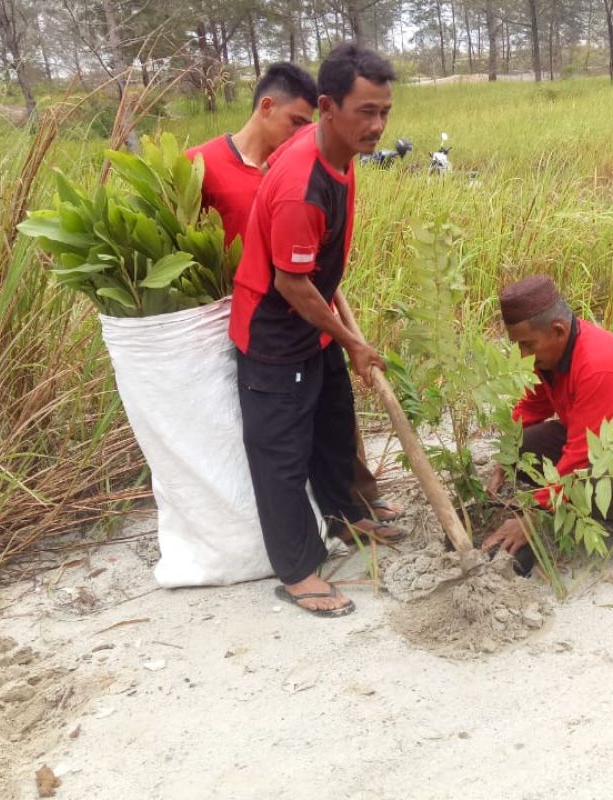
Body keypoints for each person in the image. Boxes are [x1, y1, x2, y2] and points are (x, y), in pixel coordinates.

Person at [188, 62, 402, 528]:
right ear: (267, 107)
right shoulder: (202, 166)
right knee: (283, 437)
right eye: (297, 122)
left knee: (335, 419)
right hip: (266, 318)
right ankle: (307, 537)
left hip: (311, 308)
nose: (302, 133)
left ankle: (352, 508)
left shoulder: (307, 155)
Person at [229, 44, 400, 617]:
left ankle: (348, 517)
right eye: (365, 112)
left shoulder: (339, 148)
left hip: (316, 319)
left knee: (333, 424)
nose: (376, 126)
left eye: (384, 112)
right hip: (276, 333)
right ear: (327, 107)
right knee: (280, 453)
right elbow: (291, 285)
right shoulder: (304, 189)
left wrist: (336, 334)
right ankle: (299, 572)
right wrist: (353, 340)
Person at [482, 275, 613, 563]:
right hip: (603, 440)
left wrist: (531, 518)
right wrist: (505, 457)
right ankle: (573, 505)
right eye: (517, 345)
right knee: (523, 448)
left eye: (527, 345)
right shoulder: (548, 352)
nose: (522, 355)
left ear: (558, 330)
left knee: (589, 488)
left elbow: (580, 457)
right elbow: (533, 406)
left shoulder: (598, 367)